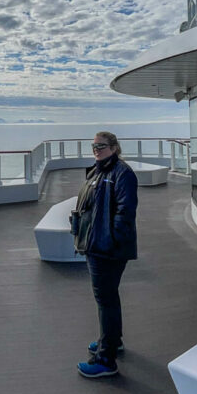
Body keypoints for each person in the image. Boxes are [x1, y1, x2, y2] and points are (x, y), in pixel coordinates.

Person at [71, 130, 138, 379]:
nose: (96, 149)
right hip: (97, 245)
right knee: (107, 298)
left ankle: (106, 358)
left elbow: (125, 212)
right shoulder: (99, 170)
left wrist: (111, 242)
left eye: (101, 145)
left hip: (106, 249)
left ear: (114, 147)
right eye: (94, 145)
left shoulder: (121, 173)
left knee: (105, 300)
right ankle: (111, 341)